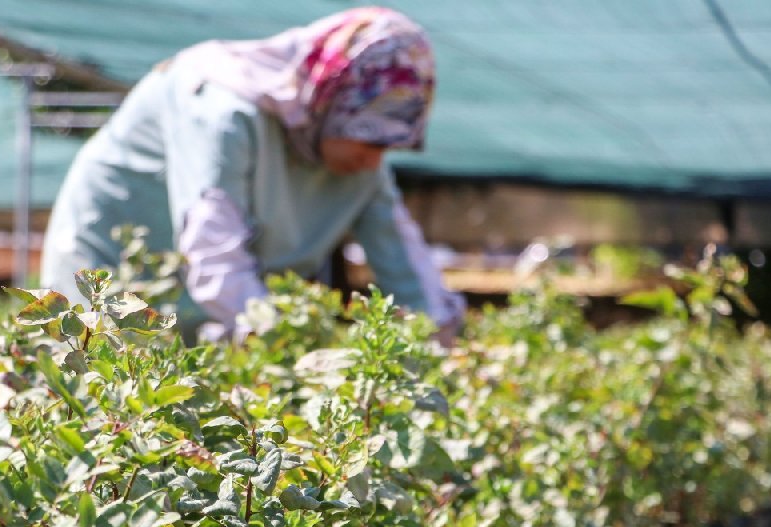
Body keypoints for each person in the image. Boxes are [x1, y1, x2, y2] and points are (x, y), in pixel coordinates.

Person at [39, 6, 465, 343]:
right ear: (328, 102)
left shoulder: (353, 156)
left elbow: (402, 258)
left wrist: (439, 339)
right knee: (102, 396)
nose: (375, 160)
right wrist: (290, 349)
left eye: (390, 145)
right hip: (115, 266)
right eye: (368, 139)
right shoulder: (222, 111)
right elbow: (214, 260)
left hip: (211, 299)